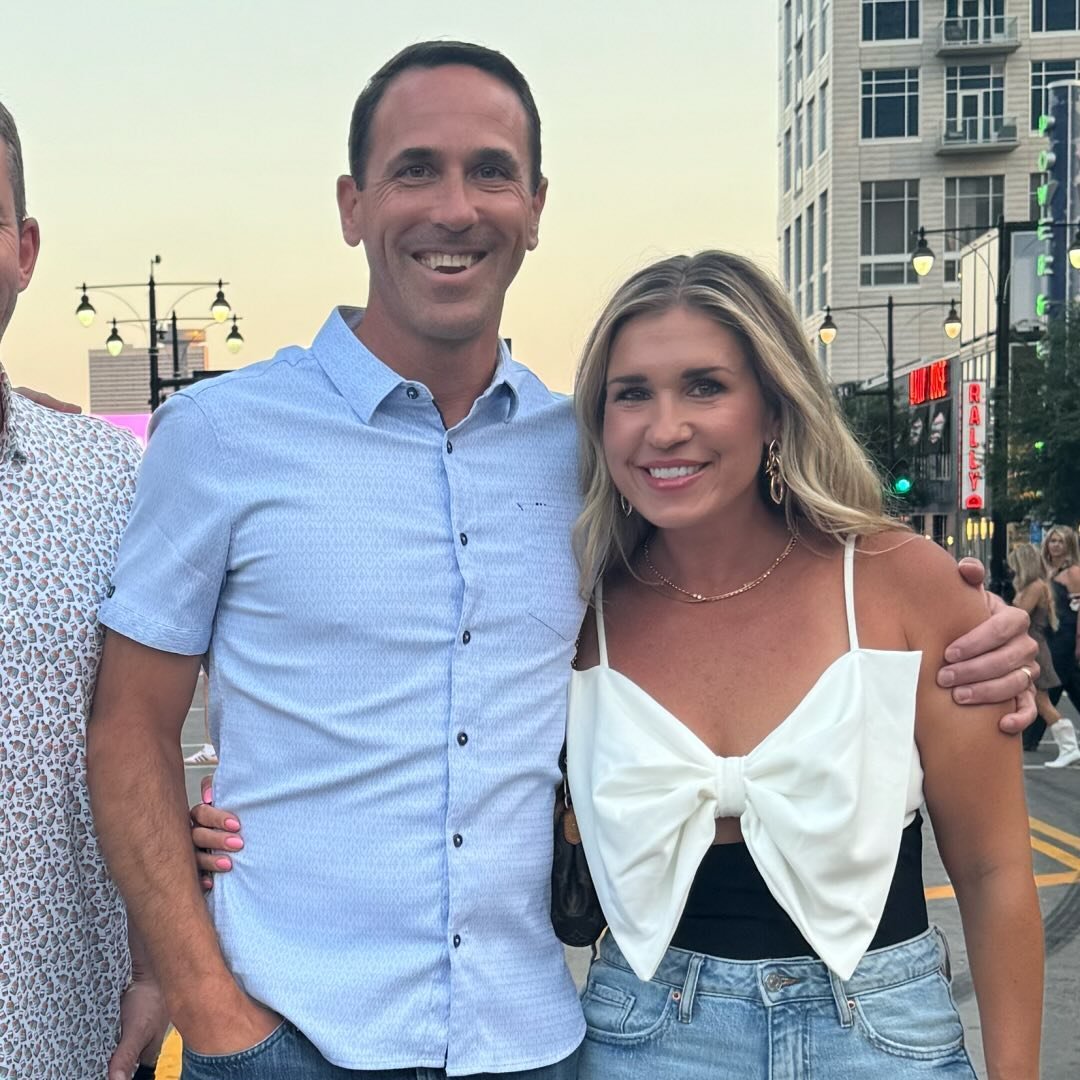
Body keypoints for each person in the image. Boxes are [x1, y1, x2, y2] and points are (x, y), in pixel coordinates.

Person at [88, 42, 1037, 1079]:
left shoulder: (584, 462)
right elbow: (129, 726)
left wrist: (987, 635)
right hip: (291, 1032)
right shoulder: (222, 436)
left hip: (530, 1043)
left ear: (536, 207)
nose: (456, 207)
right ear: (353, 204)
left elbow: (751, 588)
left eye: (491, 171)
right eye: (416, 170)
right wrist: (201, 997)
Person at [565, 251, 1042, 1078]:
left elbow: (994, 869)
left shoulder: (900, 583)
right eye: (631, 393)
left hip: (886, 1042)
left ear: (776, 410)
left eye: (705, 386)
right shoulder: (573, 612)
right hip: (643, 1041)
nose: (664, 427)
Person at [0, 100, 167, 1080]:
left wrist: (155, 966)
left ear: (23, 251)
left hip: (67, 1034)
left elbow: (142, 733)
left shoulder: (106, 479)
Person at [1010, 542, 1080, 768]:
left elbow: (1019, 615)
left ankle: (1069, 747)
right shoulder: (1038, 585)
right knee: (1037, 699)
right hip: (1033, 646)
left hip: (1035, 649)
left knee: (1042, 700)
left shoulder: (1035, 587)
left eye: (1015, 565)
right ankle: (1068, 747)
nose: (1012, 570)